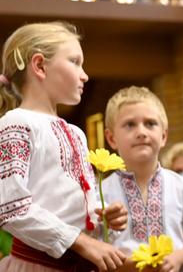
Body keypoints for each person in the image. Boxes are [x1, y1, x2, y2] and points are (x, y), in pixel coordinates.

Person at [0, 21, 127, 271]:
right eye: (75, 62)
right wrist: (79, 241)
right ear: (39, 65)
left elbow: (65, 201)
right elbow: (9, 207)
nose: (85, 74)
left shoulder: (76, 133)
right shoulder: (15, 124)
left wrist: (102, 218)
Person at [102, 86, 183, 272]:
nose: (141, 132)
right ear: (111, 138)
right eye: (130, 124)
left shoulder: (182, 186)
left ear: (163, 136)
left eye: (150, 123)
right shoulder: (100, 191)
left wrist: (179, 258)